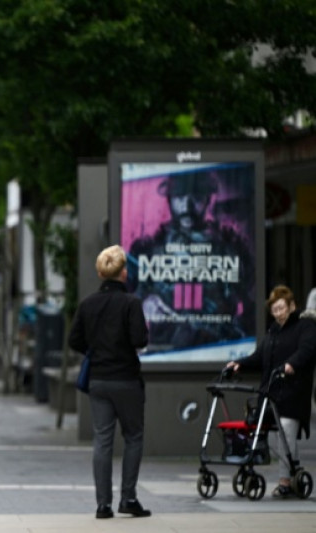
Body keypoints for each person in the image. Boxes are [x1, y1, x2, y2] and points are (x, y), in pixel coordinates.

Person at [127, 170, 253, 353]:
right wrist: (145, 302)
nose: (187, 206)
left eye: (197, 197)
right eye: (179, 196)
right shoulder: (147, 249)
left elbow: (249, 302)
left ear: (208, 198)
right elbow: (129, 299)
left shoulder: (230, 245)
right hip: (165, 347)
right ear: (169, 199)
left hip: (218, 346)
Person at [68, 245, 150, 519]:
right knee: (134, 437)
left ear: (102, 272)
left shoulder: (88, 304)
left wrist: (97, 349)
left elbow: (74, 340)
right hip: (126, 379)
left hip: (98, 381)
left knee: (102, 441)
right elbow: (140, 340)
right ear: (123, 272)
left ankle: (103, 505)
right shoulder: (131, 303)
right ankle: (128, 498)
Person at [225, 285, 316, 498]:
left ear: (292, 306)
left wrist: (291, 364)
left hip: (293, 394)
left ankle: (285, 480)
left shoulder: (305, 326)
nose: (278, 314)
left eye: (281, 308)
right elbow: (259, 356)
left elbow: (307, 349)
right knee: (255, 428)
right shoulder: (273, 331)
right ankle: (257, 468)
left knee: (285, 430)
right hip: (271, 395)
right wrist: (240, 363)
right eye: (274, 310)